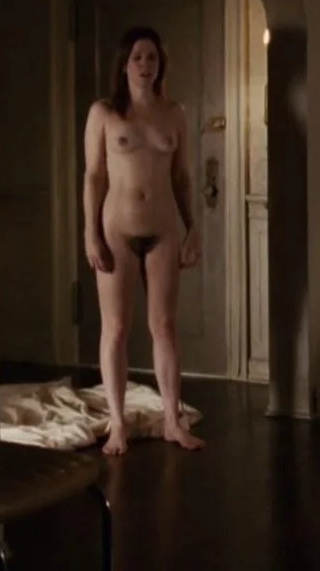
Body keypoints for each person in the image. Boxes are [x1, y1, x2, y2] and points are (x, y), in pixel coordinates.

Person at [82, 25, 205, 454]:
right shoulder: (104, 113)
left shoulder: (175, 113)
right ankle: (117, 424)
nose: (145, 65)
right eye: (137, 57)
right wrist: (90, 232)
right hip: (117, 231)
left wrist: (193, 227)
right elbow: (93, 176)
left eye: (152, 57)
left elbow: (182, 176)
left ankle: (172, 420)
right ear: (124, 63)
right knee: (115, 328)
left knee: (165, 326)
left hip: (163, 231)